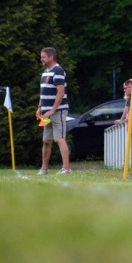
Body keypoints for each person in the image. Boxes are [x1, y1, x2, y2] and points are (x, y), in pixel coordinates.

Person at [36, 47, 72, 175]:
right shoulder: (45, 72)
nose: (41, 59)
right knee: (46, 140)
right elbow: (43, 92)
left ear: (51, 57)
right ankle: (44, 168)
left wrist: (52, 110)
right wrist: (40, 107)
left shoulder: (58, 70)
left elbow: (60, 93)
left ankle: (66, 168)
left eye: (43, 57)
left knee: (59, 138)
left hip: (58, 111)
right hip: (46, 112)